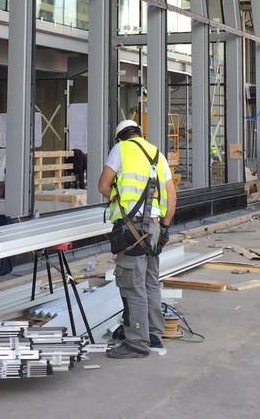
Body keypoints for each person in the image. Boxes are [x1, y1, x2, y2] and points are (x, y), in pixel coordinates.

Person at [98, 119, 177, 359]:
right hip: (153, 228)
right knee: (151, 282)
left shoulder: (120, 149)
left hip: (130, 229)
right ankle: (153, 333)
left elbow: (103, 185)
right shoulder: (157, 154)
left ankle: (137, 343)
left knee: (133, 285)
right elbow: (172, 198)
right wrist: (164, 229)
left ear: (120, 136)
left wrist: (117, 197)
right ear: (140, 134)